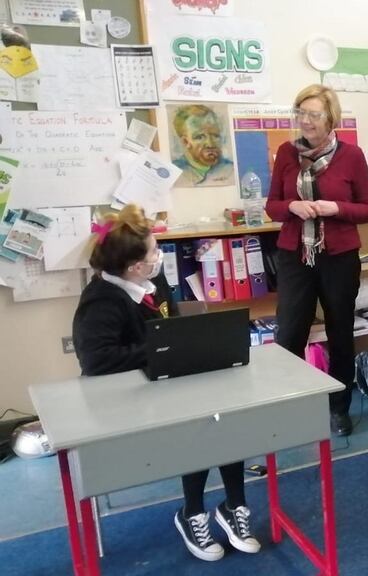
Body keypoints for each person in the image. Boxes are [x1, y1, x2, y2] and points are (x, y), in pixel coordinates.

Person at [71, 205, 260, 562]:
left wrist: (179, 346)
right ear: (134, 266)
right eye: (154, 251)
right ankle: (192, 513)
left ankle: (234, 505)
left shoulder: (151, 281)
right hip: (122, 398)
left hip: (162, 382)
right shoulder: (100, 301)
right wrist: (158, 349)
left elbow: (169, 327)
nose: (159, 256)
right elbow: (97, 361)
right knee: (199, 425)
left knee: (223, 414)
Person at [265, 84, 368, 436]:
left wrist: (337, 208)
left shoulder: (351, 156)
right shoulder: (285, 152)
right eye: (301, 113)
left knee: (340, 331)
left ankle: (338, 408)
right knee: (290, 333)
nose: (306, 121)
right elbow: (272, 206)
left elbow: (367, 210)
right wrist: (291, 206)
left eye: (314, 114)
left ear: (331, 119)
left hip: (339, 256)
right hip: (295, 254)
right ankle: (291, 406)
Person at [171, 104, 235, 187]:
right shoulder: (175, 172)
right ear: (186, 142)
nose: (210, 144)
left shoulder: (231, 170)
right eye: (200, 137)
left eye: (215, 135)